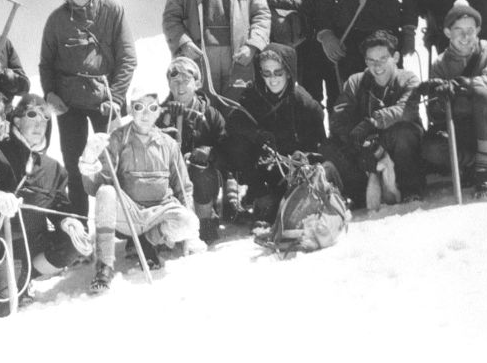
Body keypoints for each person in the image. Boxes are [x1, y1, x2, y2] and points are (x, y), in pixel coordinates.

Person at [0, 94, 91, 316]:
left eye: (44, 118)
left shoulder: (53, 168)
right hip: (7, 243)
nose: (39, 123)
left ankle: (27, 274)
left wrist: (69, 222)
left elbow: (60, 207)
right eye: (32, 115)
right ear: (16, 121)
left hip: (36, 241)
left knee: (73, 243)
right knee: (2, 307)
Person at [79, 85, 206, 294]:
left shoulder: (169, 144)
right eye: (139, 107)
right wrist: (89, 163)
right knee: (106, 192)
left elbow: (183, 187)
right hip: (129, 215)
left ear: (158, 111)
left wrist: (191, 228)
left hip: (158, 213)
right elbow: (97, 187)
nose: (146, 114)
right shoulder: (118, 139)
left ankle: (149, 241)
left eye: (152, 108)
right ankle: (104, 265)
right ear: (131, 109)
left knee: (189, 222)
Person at [40, 0, 137, 218]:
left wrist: (116, 97)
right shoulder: (56, 21)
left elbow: (128, 58)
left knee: (116, 164)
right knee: (75, 167)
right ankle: (80, 231)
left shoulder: (113, 10)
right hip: (69, 104)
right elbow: (46, 64)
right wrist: (50, 94)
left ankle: (127, 229)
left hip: (106, 101)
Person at [225, 43, 326, 225]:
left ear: (288, 72)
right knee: (234, 144)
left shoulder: (305, 104)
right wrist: (258, 135)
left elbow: (320, 147)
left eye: (278, 72)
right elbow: (234, 124)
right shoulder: (252, 95)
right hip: (264, 168)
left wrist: (303, 158)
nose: (272, 79)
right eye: (266, 73)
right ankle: (259, 193)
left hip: (294, 172)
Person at [321, 30, 423, 209]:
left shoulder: (408, 79)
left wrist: (372, 122)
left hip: (396, 144)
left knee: (404, 133)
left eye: (383, 59)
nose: (377, 66)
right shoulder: (355, 81)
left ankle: (410, 189)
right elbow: (339, 119)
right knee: (329, 147)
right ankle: (358, 193)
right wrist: (359, 142)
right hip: (367, 147)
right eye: (371, 61)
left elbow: (406, 110)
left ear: (396, 57)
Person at [419, 0, 487, 196]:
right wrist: (440, 97)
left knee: (482, 94)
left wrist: (462, 84)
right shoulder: (440, 64)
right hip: (460, 129)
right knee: (430, 149)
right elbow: (435, 112)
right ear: (448, 32)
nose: (465, 36)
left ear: (478, 30)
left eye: (470, 30)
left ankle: (484, 172)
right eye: (458, 30)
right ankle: (475, 161)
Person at [156, 57, 228, 243]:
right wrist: (164, 123)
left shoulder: (211, 114)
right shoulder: (159, 113)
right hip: (169, 180)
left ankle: (204, 220)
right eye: (175, 81)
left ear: (197, 83)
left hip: (200, 179)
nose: (180, 87)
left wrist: (210, 153)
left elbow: (227, 148)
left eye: (186, 81)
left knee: (201, 171)